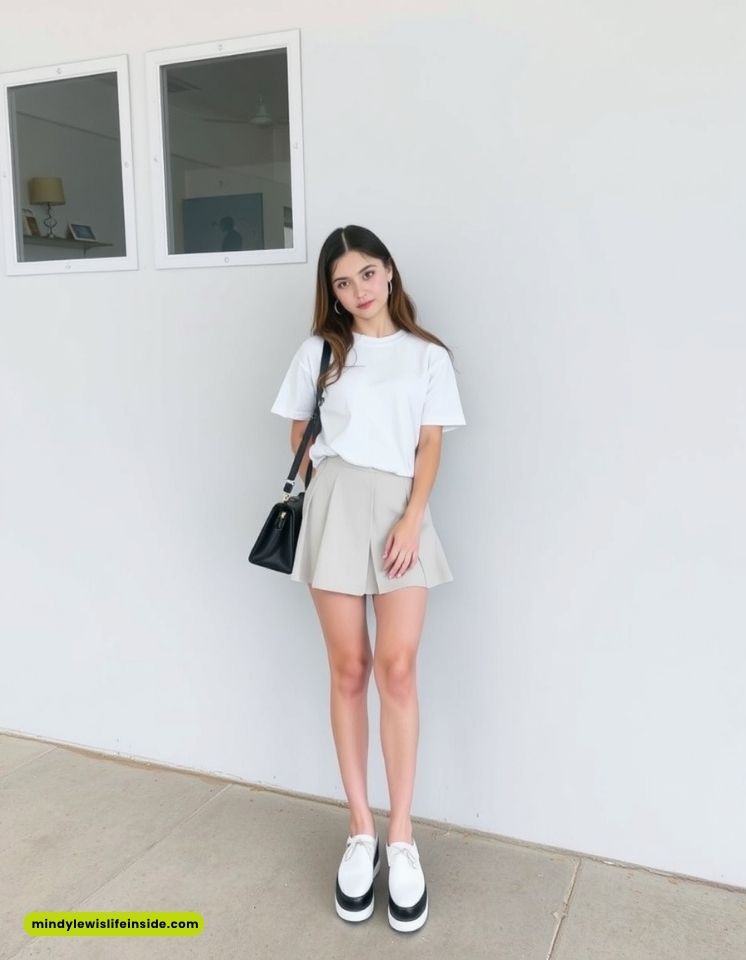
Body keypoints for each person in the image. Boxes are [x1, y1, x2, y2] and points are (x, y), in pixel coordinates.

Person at [270, 224, 466, 933]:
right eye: (342, 282)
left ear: (389, 272)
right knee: (349, 669)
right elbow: (298, 426)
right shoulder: (320, 351)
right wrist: (325, 473)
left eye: (366, 274)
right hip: (335, 509)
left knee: (399, 669)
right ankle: (361, 833)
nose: (357, 291)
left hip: (401, 510)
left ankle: (403, 836)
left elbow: (431, 440)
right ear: (331, 291)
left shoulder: (426, 356)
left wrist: (414, 516)